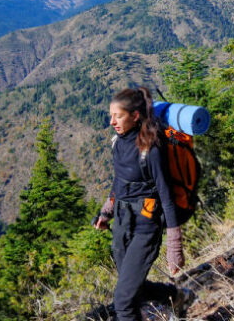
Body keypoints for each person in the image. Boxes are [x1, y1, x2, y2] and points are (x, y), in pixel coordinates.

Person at [93, 87, 189, 320]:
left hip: (146, 226)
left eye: (118, 116)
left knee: (123, 303)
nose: (112, 121)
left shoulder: (151, 149)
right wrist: (106, 212)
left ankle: (175, 296)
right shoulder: (119, 142)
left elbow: (166, 197)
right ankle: (176, 296)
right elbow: (120, 180)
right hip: (122, 223)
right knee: (132, 287)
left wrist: (174, 246)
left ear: (135, 116)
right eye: (111, 115)